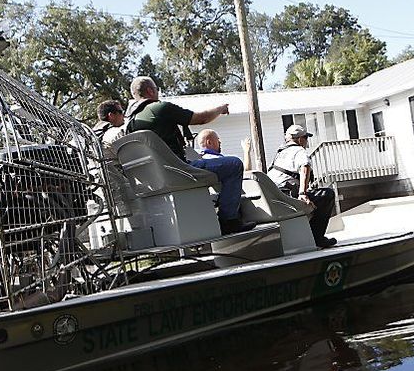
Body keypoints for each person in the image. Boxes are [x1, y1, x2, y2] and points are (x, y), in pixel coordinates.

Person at [125, 76, 254, 235]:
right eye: (157, 89)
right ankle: (229, 220)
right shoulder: (158, 108)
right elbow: (201, 118)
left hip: (153, 179)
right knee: (233, 165)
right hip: (179, 170)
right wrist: (220, 109)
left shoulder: (130, 123)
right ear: (151, 91)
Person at [267, 125, 336, 248]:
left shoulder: (280, 153)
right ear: (299, 139)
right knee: (327, 195)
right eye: (306, 138)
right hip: (287, 196)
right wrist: (302, 193)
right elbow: (305, 167)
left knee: (315, 196)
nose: (306, 142)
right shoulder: (299, 151)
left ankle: (307, 235)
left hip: (273, 196)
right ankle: (317, 238)